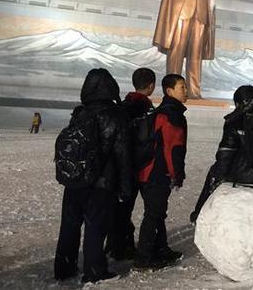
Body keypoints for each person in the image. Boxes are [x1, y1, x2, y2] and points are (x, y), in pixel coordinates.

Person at [54, 69, 132, 283]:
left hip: (75, 178)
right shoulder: (115, 114)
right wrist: (126, 186)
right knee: (95, 227)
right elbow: (122, 153)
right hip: (101, 181)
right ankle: (95, 271)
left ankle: (64, 267)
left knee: (69, 225)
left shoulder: (80, 112)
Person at [190, 85, 253, 223]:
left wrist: (217, 176)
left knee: (213, 174)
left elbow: (225, 156)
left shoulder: (236, 120)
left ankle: (198, 215)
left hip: (244, 176)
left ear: (237, 103)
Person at [134, 74, 187, 270]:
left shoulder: (161, 111)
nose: (186, 91)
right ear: (169, 91)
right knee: (153, 214)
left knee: (157, 213)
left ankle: (161, 248)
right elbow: (172, 148)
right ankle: (143, 258)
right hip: (157, 173)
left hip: (146, 171)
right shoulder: (171, 114)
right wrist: (176, 175)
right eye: (182, 87)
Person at [106, 68, 156, 261]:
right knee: (132, 208)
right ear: (151, 85)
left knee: (120, 208)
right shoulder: (143, 107)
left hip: (119, 165)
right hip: (135, 166)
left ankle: (115, 244)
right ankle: (122, 247)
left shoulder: (125, 104)